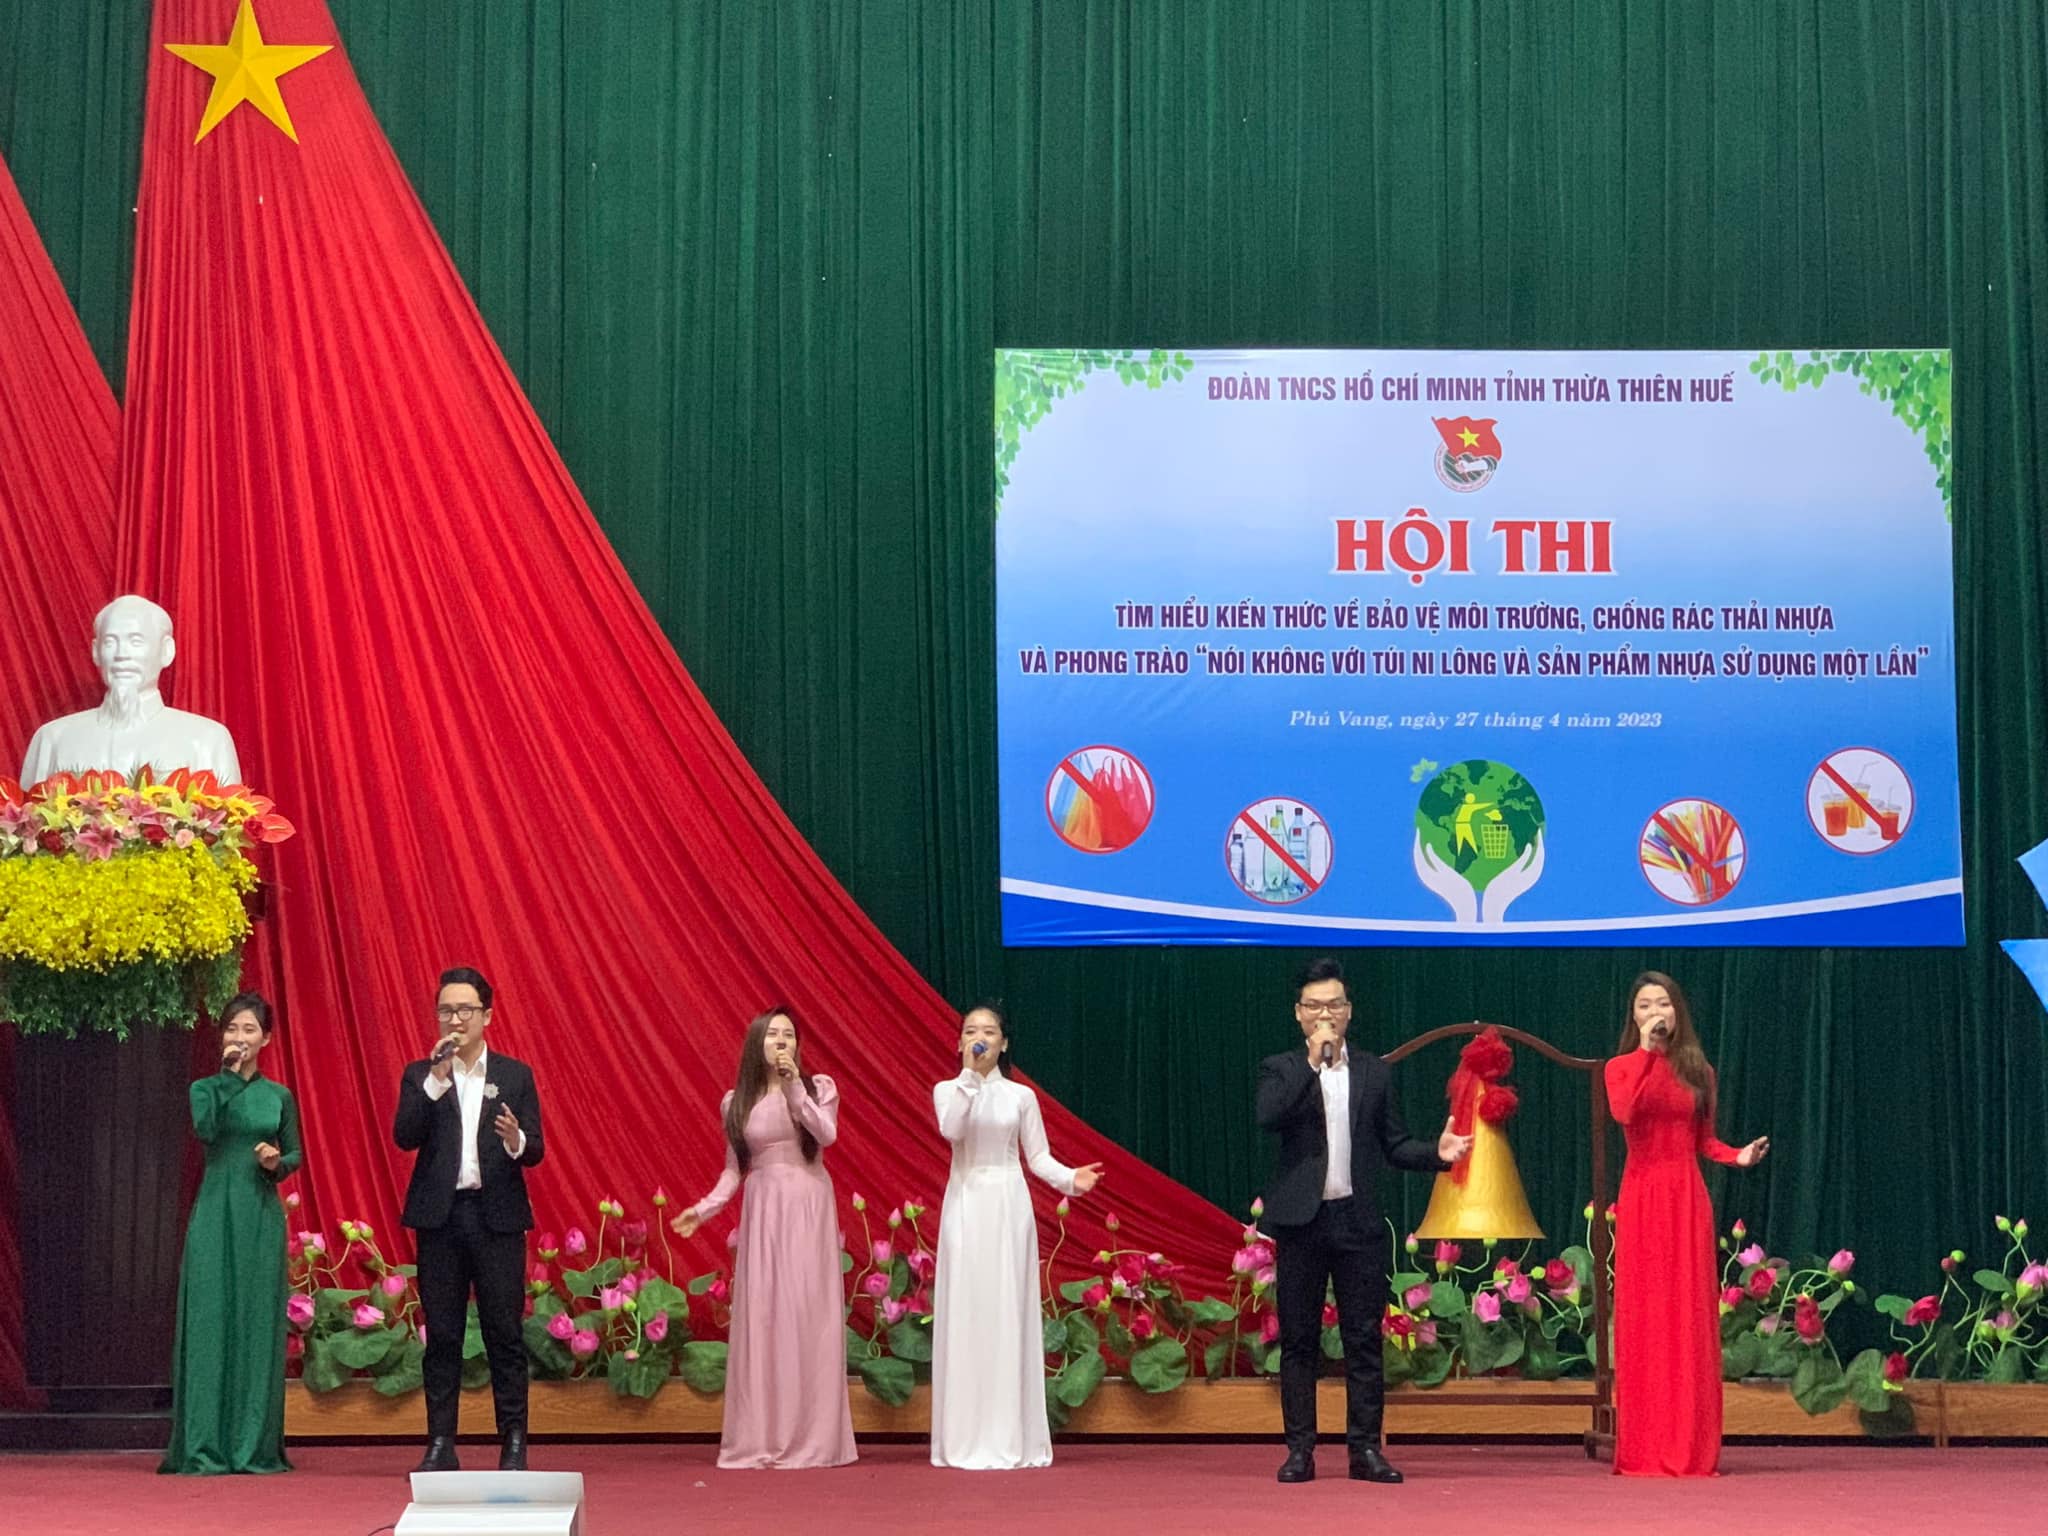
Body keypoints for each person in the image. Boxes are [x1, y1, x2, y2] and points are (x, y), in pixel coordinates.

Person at [1256, 957, 1472, 1485]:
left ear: (1348, 1011)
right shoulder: (1282, 1068)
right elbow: (1269, 1116)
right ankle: (1300, 1451)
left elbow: (1394, 1144)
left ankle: (1364, 1451)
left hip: (1357, 1220)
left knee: (1363, 1340)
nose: (1324, 1015)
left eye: (1333, 1005)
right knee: (1300, 1341)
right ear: (1299, 1014)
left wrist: (1437, 1153)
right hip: (1302, 1222)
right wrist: (1313, 1063)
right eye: (1314, 1006)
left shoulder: (1374, 1072)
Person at [670, 1006, 854, 1468]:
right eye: (772, 1034)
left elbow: (826, 1135)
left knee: (805, 1311)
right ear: (757, 1043)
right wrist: (703, 1209)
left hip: (807, 1204)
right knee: (766, 1315)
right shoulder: (736, 1101)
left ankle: (813, 1436)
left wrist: (794, 1088)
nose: (781, 1041)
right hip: (764, 1209)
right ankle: (763, 1434)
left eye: (788, 1035)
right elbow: (734, 1170)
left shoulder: (818, 1087)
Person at [1605, 972, 1769, 1477]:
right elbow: (1625, 1112)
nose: (1656, 1012)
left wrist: (1737, 1155)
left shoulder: (1700, 1071)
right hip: (1643, 1195)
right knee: (1646, 1315)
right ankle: (1645, 1446)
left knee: (1688, 1316)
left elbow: (1704, 1141)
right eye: (1645, 1005)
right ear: (1634, 1016)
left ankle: (1690, 1444)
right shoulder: (1619, 1067)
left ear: (1678, 1012)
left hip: (1687, 1199)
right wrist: (1648, 1053)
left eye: (1664, 1003)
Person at [929, 1003, 1103, 1470]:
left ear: (1003, 1043)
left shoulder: (1021, 1097)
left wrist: (1070, 1180)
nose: (980, 1038)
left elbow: (1037, 1157)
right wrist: (969, 1079)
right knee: (967, 1308)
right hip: (965, 1201)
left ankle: (1009, 1432)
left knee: (1007, 1309)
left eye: (989, 1032)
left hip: (1008, 1202)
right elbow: (952, 1129)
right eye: (971, 1031)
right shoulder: (947, 1090)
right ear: (960, 1042)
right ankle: (963, 1435)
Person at [393, 967, 545, 1472]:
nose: (455, 1020)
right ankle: (441, 1443)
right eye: (446, 1011)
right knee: (443, 1335)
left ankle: (514, 1441)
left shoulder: (515, 1075)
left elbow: (535, 1149)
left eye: (465, 1010)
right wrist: (435, 1082)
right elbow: (404, 1136)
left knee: (504, 1332)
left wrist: (515, 1140)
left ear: (487, 1016)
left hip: (496, 1217)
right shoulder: (421, 1074)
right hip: (440, 1219)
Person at [160, 992, 301, 1474]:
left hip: (260, 1214)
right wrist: (226, 1076)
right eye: (232, 1028)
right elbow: (206, 1130)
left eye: (248, 1030)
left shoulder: (279, 1096)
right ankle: (204, 1445)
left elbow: (295, 1154)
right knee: (209, 1321)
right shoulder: (204, 1089)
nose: (239, 1037)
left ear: (266, 1038)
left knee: (256, 1325)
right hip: (215, 1213)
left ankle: (252, 1445)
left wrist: (275, 1164)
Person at [20, 593, 241, 784]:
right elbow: (27, 817)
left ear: (166, 651)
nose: (121, 655)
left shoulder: (206, 740)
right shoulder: (54, 739)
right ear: (96, 651)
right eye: (110, 642)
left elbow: (228, 818)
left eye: (136, 642)